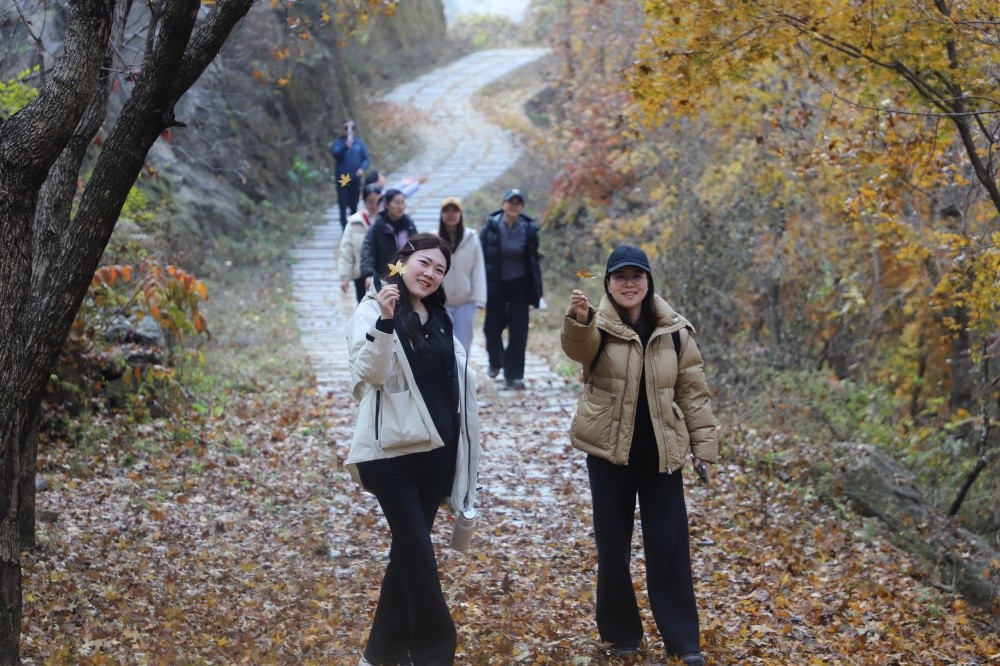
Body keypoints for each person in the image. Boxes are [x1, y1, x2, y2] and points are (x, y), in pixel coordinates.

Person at [560, 245, 717, 666]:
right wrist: (578, 320)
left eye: (637, 276)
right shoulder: (597, 324)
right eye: (620, 276)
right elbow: (578, 349)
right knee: (613, 548)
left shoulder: (674, 330)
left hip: (662, 454)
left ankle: (684, 642)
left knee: (669, 547)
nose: (629, 284)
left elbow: (693, 392)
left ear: (648, 282)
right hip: (609, 454)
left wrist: (703, 449)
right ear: (608, 283)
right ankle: (621, 634)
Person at [346, 232, 481, 666]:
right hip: (391, 456)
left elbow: (455, 380)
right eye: (424, 263)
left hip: (436, 455)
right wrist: (385, 322)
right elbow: (368, 374)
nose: (431, 274)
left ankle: (381, 655)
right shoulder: (373, 307)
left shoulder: (439, 317)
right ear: (403, 261)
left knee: (406, 554)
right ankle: (436, 654)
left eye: (440, 269)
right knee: (420, 557)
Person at [479, 187, 543, 390]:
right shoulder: (490, 228)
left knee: (518, 330)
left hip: (520, 284)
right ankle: (496, 360)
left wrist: (538, 291)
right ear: (503, 204)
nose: (513, 206)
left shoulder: (528, 229)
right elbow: (479, 259)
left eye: (518, 203)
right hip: (495, 283)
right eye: (510, 202)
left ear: (522, 207)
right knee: (492, 328)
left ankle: (514, 374)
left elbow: (534, 261)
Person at [437, 196, 486, 352]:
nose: (451, 214)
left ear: (460, 214)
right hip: (441, 301)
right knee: (443, 344)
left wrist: (480, 299)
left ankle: (462, 368)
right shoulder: (434, 239)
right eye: (447, 210)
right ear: (441, 214)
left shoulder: (471, 238)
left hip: (466, 300)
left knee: (463, 344)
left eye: (455, 210)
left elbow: (478, 269)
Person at [360, 188, 418, 289]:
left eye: (402, 203)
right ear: (387, 205)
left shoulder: (409, 225)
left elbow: (417, 246)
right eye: (397, 203)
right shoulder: (378, 227)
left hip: (407, 275)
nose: (400, 206)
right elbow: (367, 252)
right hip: (385, 278)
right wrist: (369, 274)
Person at [340, 184, 382, 303]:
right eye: (370, 201)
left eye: (377, 201)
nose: (374, 205)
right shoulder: (355, 222)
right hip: (361, 275)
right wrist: (344, 276)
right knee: (364, 307)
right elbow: (346, 250)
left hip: (384, 274)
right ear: (364, 201)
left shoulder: (388, 220)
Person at [330, 118, 371, 229]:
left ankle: (353, 224)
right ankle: (344, 226)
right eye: (346, 128)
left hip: (355, 176)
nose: (349, 130)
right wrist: (345, 147)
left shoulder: (359, 142)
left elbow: (366, 158)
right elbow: (335, 154)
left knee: (354, 202)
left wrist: (362, 168)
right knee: (343, 202)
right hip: (344, 177)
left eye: (352, 128)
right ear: (342, 129)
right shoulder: (338, 142)